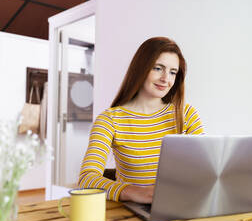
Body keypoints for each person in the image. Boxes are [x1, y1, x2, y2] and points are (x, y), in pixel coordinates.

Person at [78, 37, 204, 204]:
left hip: (182, 205)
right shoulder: (109, 120)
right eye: (158, 68)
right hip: (134, 213)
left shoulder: (186, 115)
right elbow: (86, 180)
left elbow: (205, 170)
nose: (166, 78)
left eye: (173, 72)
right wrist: (132, 192)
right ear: (141, 68)